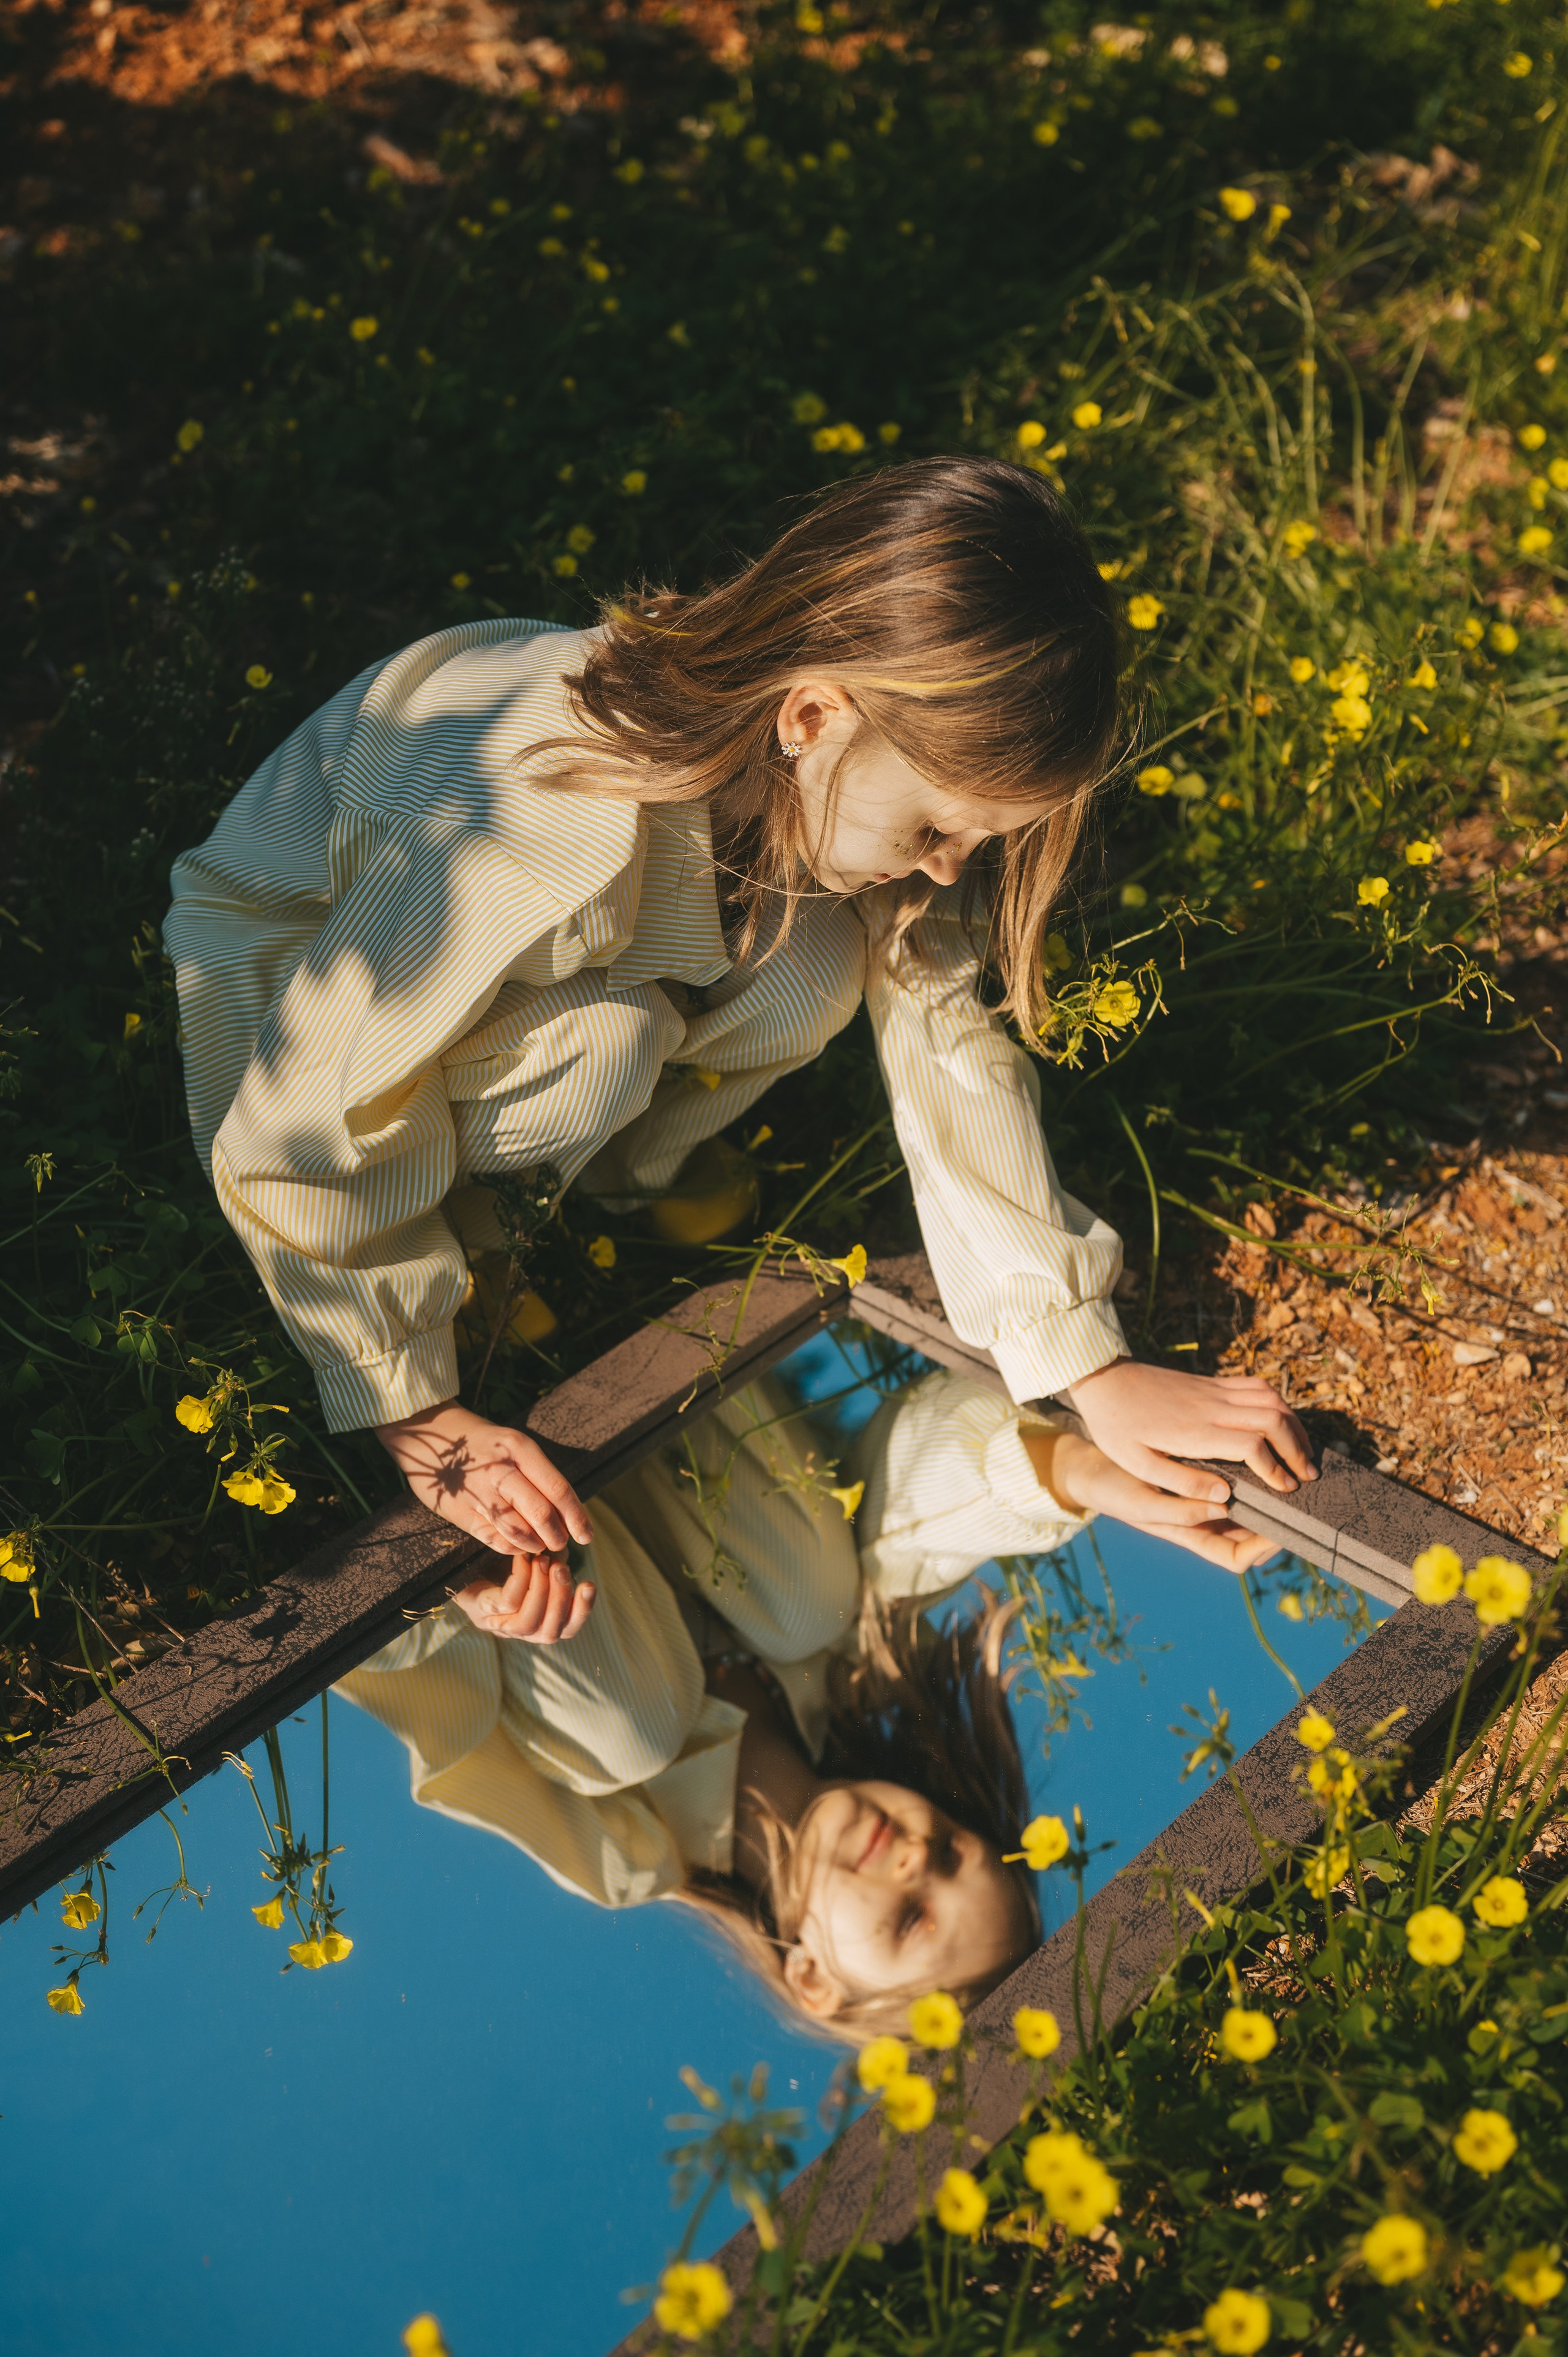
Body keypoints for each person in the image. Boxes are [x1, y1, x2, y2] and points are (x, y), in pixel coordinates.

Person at [164, 454, 1314, 1612]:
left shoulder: (845, 774)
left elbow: (945, 1037)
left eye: (974, 839)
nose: (950, 864)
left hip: (517, 979)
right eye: (931, 827)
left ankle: (611, 1183)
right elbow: (310, 1104)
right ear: (812, 715)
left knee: (814, 967)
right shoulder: (542, 821)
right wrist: (416, 1413)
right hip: (293, 978)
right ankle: (483, 1217)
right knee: (603, 1046)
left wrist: (1083, 1360)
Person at [337, 1361, 1279, 2038]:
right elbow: (927, 1476)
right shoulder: (840, 1651)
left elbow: (450, 1731)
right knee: (810, 1600)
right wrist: (1083, 1471)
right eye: (950, 1850)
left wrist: (451, 1602)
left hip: (458, 1509)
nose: (915, 1856)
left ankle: (469, 1511)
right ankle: (656, 1304)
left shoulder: (630, 1851)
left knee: (632, 1741)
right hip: (618, 1355)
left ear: (814, 1980)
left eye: (911, 1919)